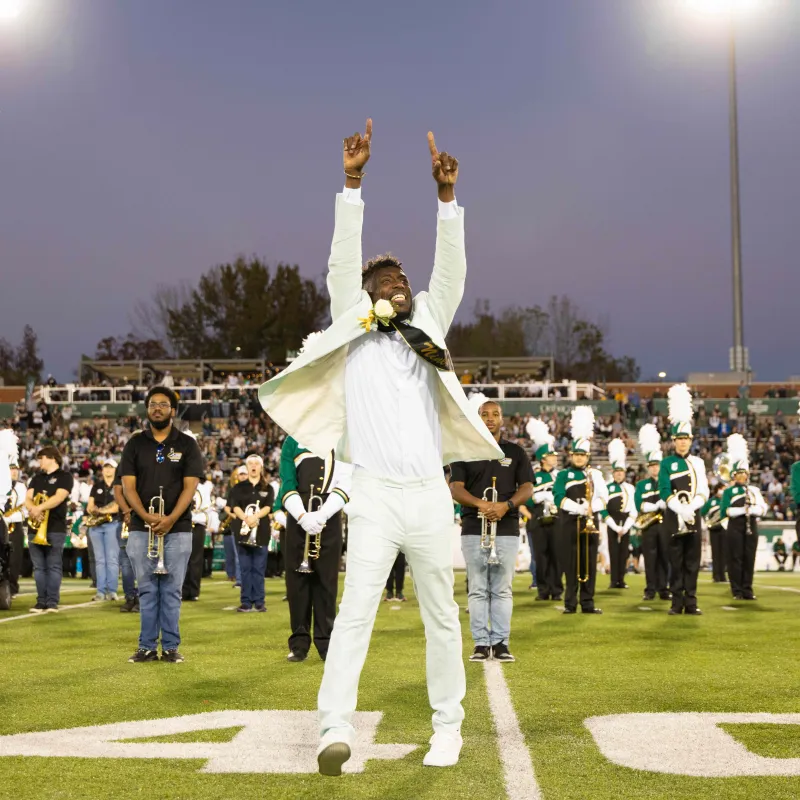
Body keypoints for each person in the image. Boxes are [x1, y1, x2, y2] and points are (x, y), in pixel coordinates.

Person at [258, 119, 502, 774]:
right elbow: (343, 260)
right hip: (370, 498)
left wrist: (447, 199)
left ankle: (447, 727)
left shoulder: (427, 321)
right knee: (356, 615)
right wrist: (352, 182)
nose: (393, 280)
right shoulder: (353, 328)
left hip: (426, 495)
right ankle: (334, 729)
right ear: (365, 295)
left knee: (441, 618)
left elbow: (450, 272)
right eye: (383, 277)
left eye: (398, 275)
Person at [120, 387, 205, 663]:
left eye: (163, 404)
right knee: (145, 588)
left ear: (172, 410)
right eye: (153, 404)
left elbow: (190, 488)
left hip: (177, 527)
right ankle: (146, 646)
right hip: (140, 526)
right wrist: (146, 516)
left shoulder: (187, 444)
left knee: (171, 589)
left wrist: (169, 519)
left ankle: (170, 646)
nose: (157, 408)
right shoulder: (134, 443)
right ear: (147, 409)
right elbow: (127, 487)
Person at [450, 399, 534, 663]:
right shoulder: (465, 450)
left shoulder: (516, 452)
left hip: (507, 527)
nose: (490, 418)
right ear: (477, 418)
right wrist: (482, 504)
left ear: (502, 418)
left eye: (495, 414)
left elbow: (527, 488)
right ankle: (480, 642)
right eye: (484, 414)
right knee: (476, 588)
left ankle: (500, 642)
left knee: (501, 588)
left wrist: (506, 505)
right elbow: (456, 488)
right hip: (475, 527)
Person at [275, 436, 352, 660]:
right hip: (299, 516)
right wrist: (301, 516)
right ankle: (298, 643)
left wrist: (322, 514)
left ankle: (326, 642)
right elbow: (287, 484)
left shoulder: (341, 439)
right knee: (296, 582)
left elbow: (345, 483)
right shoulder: (292, 441)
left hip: (328, 514)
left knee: (326, 581)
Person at [659, 384, 709, 616]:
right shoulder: (667, 464)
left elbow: (703, 491)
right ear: (673, 440)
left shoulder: (698, 462)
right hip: (673, 516)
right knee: (675, 561)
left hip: (693, 515)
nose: (682, 443)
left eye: (686, 439)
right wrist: (679, 508)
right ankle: (676, 602)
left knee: (692, 561)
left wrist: (692, 508)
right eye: (679, 439)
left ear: (691, 440)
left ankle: (691, 602)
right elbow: (664, 489)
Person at [553, 407, 608, 615]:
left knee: (589, 563)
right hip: (568, 523)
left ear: (588, 456)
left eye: (582, 455)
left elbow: (604, 497)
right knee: (571, 563)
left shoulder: (596, 474)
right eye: (576, 454)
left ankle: (588, 602)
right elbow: (558, 497)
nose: (578, 458)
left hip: (590, 522)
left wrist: (592, 508)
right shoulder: (563, 475)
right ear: (571, 454)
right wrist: (578, 508)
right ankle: (570, 603)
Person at [25, 446, 74, 613]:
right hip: (35, 528)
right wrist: (33, 509)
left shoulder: (65, 477)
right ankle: (41, 601)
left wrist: (39, 509)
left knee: (53, 565)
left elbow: (59, 497)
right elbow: (28, 498)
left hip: (55, 527)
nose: (39, 461)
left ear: (52, 458)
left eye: (41, 458)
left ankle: (52, 601)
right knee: (38, 567)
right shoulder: (36, 478)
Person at [720, 434, 767, 600]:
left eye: (744, 473)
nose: (742, 476)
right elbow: (725, 511)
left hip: (751, 525)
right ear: (733, 475)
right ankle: (737, 590)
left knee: (749, 557)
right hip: (735, 526)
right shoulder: (728, 492)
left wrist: (753, 510)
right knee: (736, 558)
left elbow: (763, 508)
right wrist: (742, 510)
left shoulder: (753, 490)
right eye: (738, 474)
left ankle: (748, 588)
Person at [229, 453, 275, 613]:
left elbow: (268, 507)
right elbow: (234, 506)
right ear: (247, 467)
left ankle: (260, 601)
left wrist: (255, 516)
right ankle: (246, 602)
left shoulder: (268, 488)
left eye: (256, 463)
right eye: (251, 464)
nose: (253, 466)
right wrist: (246, 518)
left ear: (261, 467)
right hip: (242, 532)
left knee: (259, 568)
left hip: (261, 532)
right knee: (245, 568)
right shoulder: (238, 488)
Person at [525, 417, 562, 602]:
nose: (555, 458)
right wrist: (535, 499)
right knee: (540, 556)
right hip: (538, 517)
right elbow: (525, 499)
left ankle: (556, 590)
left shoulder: (559, 475)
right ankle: (542, 590)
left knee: (556, 554)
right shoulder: (533, 475)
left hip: (556, 518)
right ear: (543, 458)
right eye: (551, 456)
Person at [635, 424, 670, 601]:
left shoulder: (667, 482)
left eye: (657, 465)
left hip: (664, 525)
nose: (654, 468)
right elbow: (639, 505)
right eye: (651, 466)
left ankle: (664, 589)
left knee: (665, 557)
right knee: (650, 558)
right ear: (648, 467)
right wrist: (656, 505)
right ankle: (650, 589)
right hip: (649, 526)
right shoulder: (641, 485)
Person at [86, 459, 121, 602]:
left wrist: (99, 511)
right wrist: (94, 511)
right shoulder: (97, 486)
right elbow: (89, 506)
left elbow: (117, 506)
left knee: (112, 559)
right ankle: (100, 591)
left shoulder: (119, 486)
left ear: (115, 470)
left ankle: (112, 591)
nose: (107, 470)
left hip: (112, 524)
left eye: (110, 467)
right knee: (100, 560)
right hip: (96, 526)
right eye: (105, 467)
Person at [605, 439, 636, 590]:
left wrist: (627, 525)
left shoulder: (630, 488)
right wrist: (614, 526)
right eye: (616, 472)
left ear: (624, 473)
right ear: (613, 473)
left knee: (624, 552)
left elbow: (633, 508)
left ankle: (621, 579)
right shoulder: (607, 488)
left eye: (621, 472)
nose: (618, 475)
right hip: (612, 520)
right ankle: (613, 580)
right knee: (613, 551)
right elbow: (604, 508)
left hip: (626, 520)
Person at [183, 461, 213, 602]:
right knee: (182, 559)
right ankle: (182, 590)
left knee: (195, 559)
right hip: (183, 524)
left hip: (197, 525)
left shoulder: (204, 488)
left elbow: (206, 507)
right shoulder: (181, 484)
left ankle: (193, 591)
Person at [113, 467, 139, 613]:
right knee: (125, 563)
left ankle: (142, 597)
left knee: (143, 562)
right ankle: (130, 597)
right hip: (126, 520)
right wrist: (127, 511)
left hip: (143, 519)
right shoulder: (123, 466)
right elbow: (117, 491)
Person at [4, 462, 28, 598]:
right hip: (2, 524)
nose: (14, 472)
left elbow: (25, 509)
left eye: (16, 469)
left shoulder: (20, 486)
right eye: (11, 469)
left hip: (15, 524)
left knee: (15, 558)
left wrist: (12, 517)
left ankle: (12, 587)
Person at [702, 486, 727, 584]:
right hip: (713, 529)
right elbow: (702, 512)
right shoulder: (710, 502)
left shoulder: (726, 501)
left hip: (724, 528)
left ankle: (723, 575)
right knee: (716, 553)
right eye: (720, 490)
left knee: (724, 553)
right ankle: (716, 576)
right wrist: (707, 523)